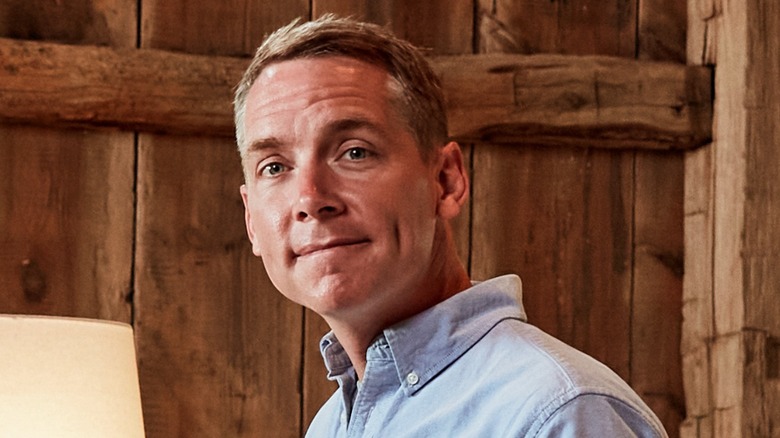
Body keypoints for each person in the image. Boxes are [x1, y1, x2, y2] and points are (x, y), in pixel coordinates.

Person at [234, 14, 668, 437]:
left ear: (446, 181)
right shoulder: (330, 427)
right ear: (252, 219)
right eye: (274, 167)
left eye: (355, 152)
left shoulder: (557, 412)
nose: (310, 199)